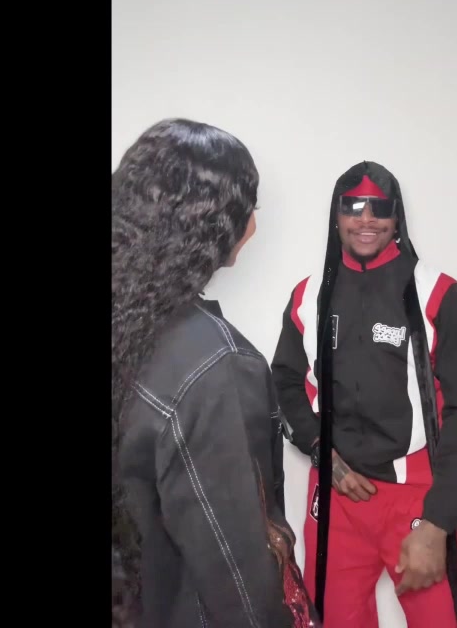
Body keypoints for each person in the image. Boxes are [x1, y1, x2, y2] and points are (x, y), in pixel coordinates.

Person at [112, 118, 316, 628]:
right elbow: (239, 576)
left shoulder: (128, 324)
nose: (254, 225)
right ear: (214, 224)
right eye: (250, 207)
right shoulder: (213, 367)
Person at [273, 161, 457, 628]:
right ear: (336, 215)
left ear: (397, 216)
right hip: (336, 496)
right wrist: (321, 452)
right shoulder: (308, 296)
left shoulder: (439, 294)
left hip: (419, 498)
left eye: (379, 208)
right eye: (353, 207)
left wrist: (439, 522)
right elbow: (284, 382)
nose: (366, 219)